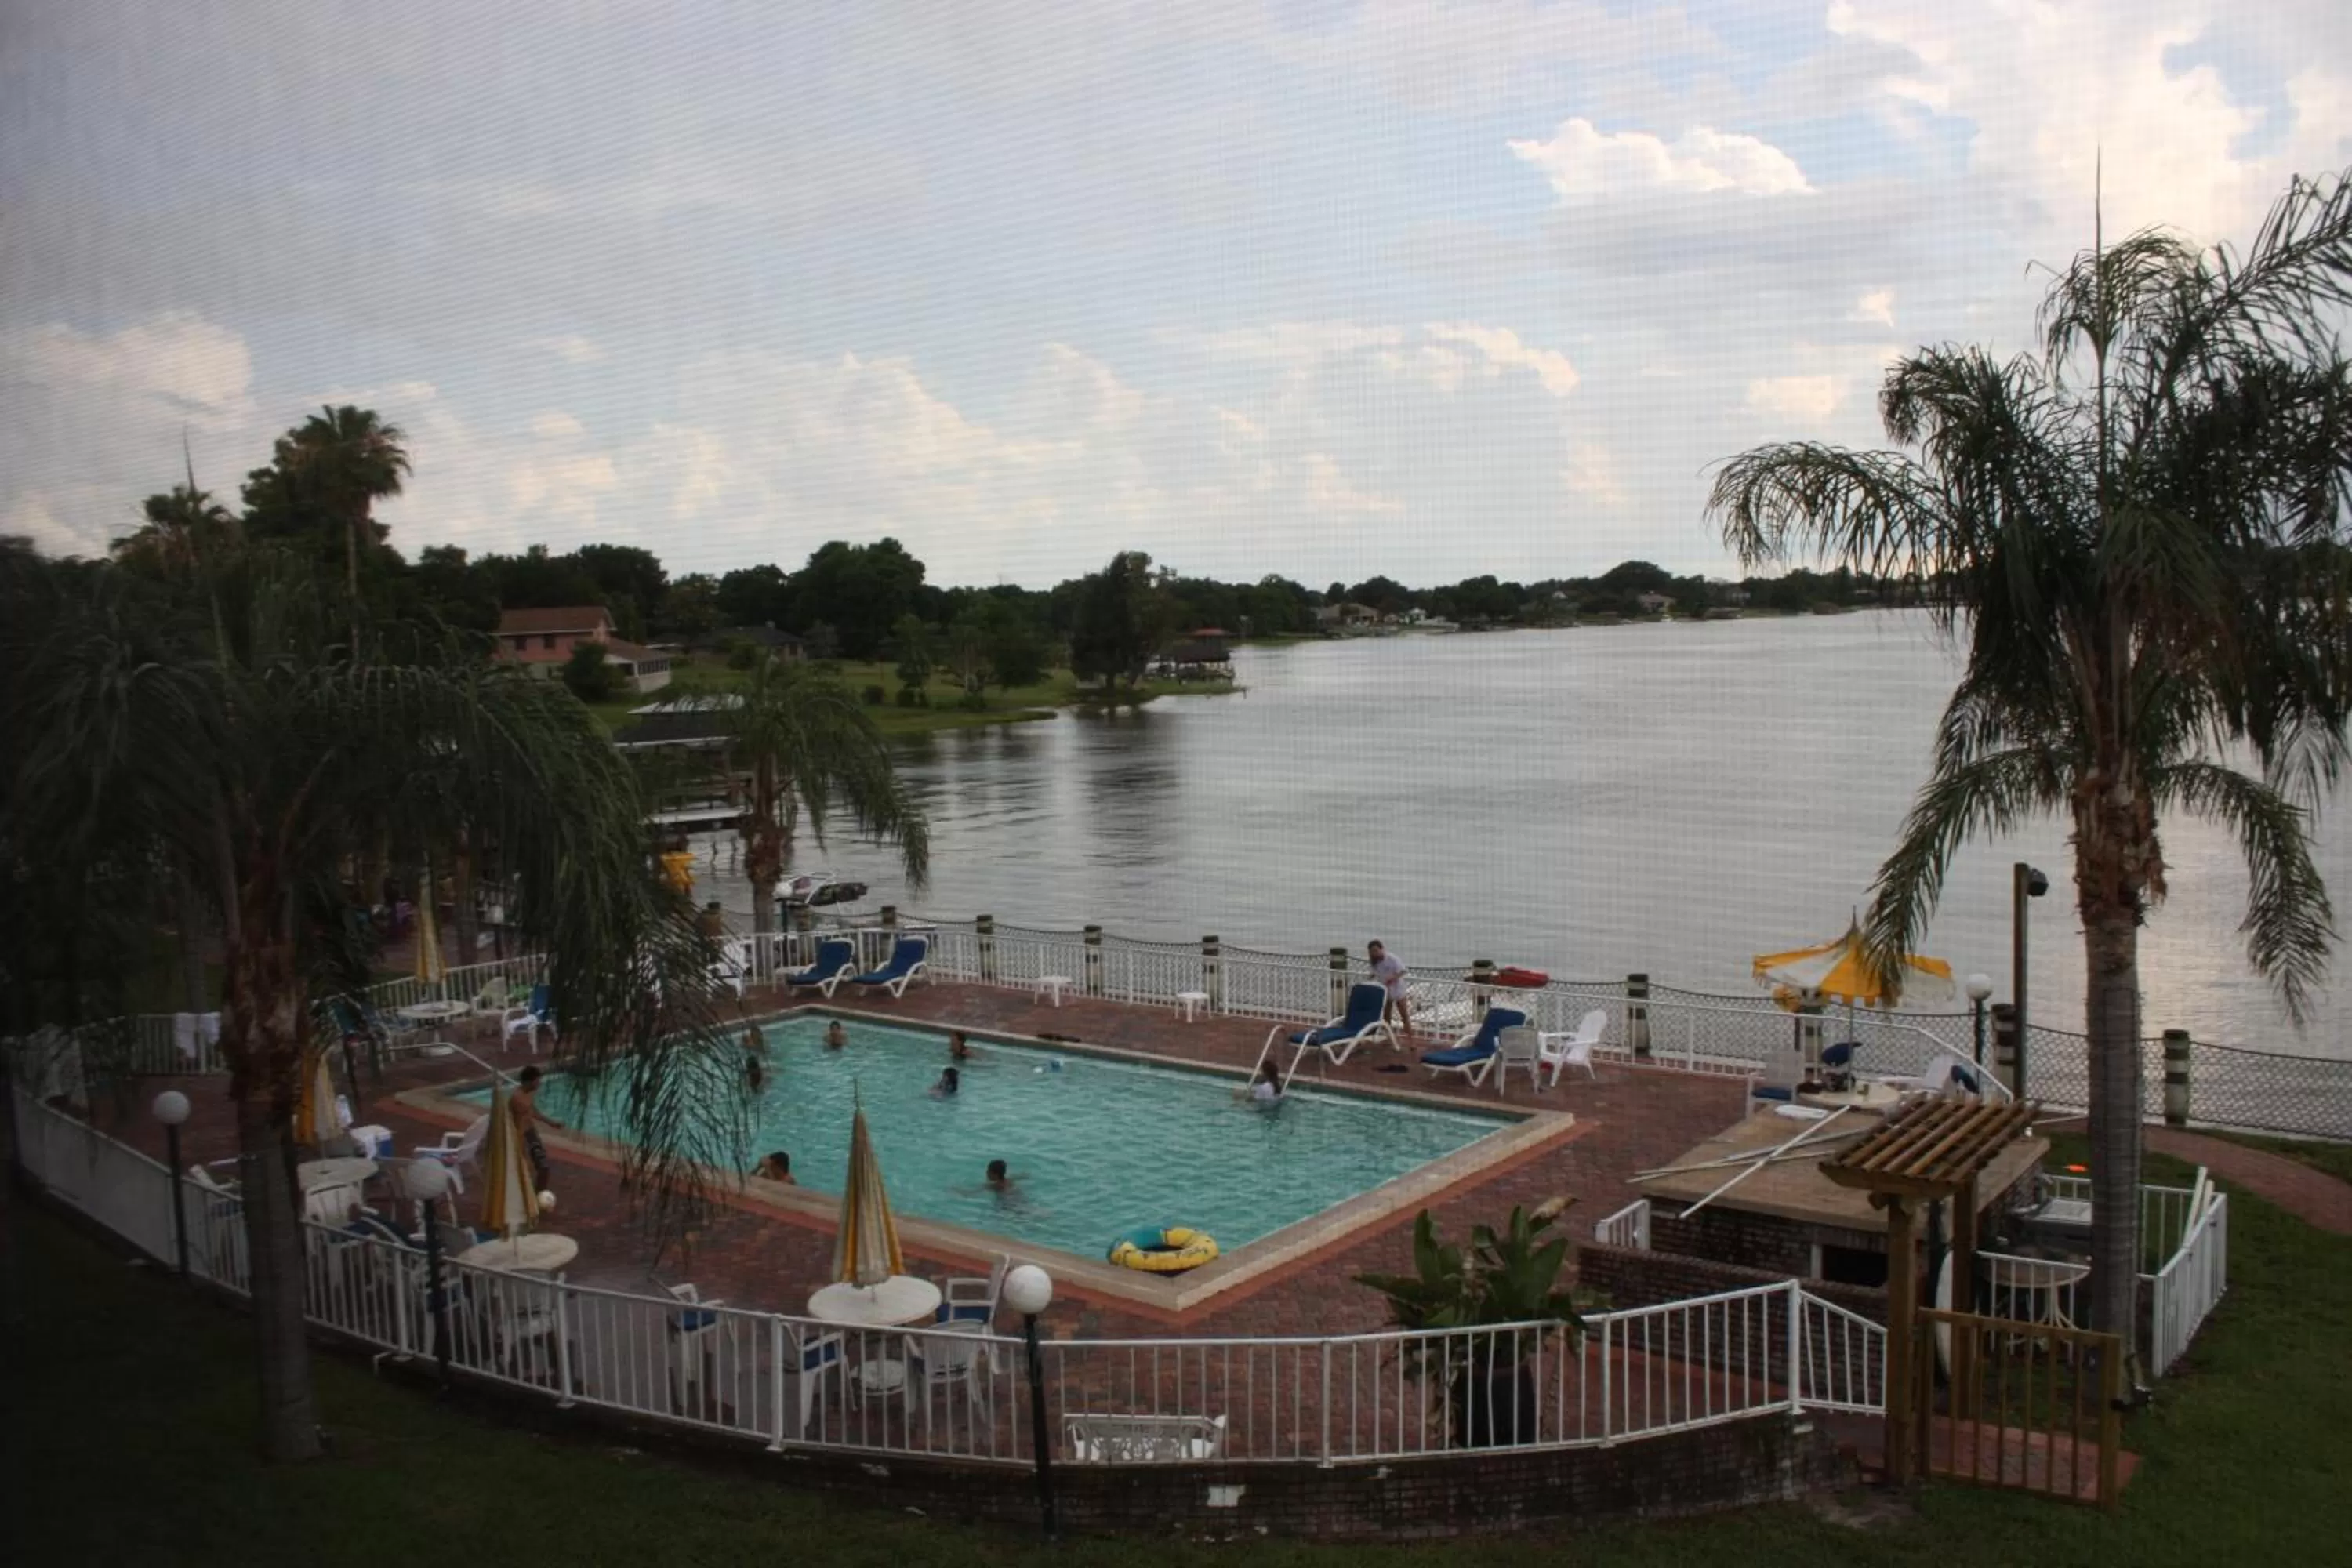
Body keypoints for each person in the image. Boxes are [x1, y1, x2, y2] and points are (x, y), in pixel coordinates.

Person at [510, 1065, 562, 1193]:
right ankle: (529, 1196)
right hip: (521, 1136)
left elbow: (533, 1111)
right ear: (529, 1081)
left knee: (543, 1166)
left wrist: (550, 1123)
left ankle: (539, 1193)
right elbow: (516, 1121)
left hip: (530, 1132)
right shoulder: (517, 1099)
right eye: (537, 1081)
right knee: (526, 1169)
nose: (539, 1083)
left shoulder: (528, 1093)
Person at [1367, 938, 1412, 1036]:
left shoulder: (1392, 959)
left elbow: (1403, 971)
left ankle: (1410, 1037)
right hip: (1385, 991)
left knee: (1404, 1014)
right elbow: (1374, 972)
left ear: (1381, 949)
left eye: (1376, 950)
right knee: (1386, 1014)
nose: (1374, 953)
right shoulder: (1374, 961)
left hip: (1398, 990)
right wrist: (1371, 977)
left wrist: (1393, 977)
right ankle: (1389, 1035)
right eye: (1372, 952)